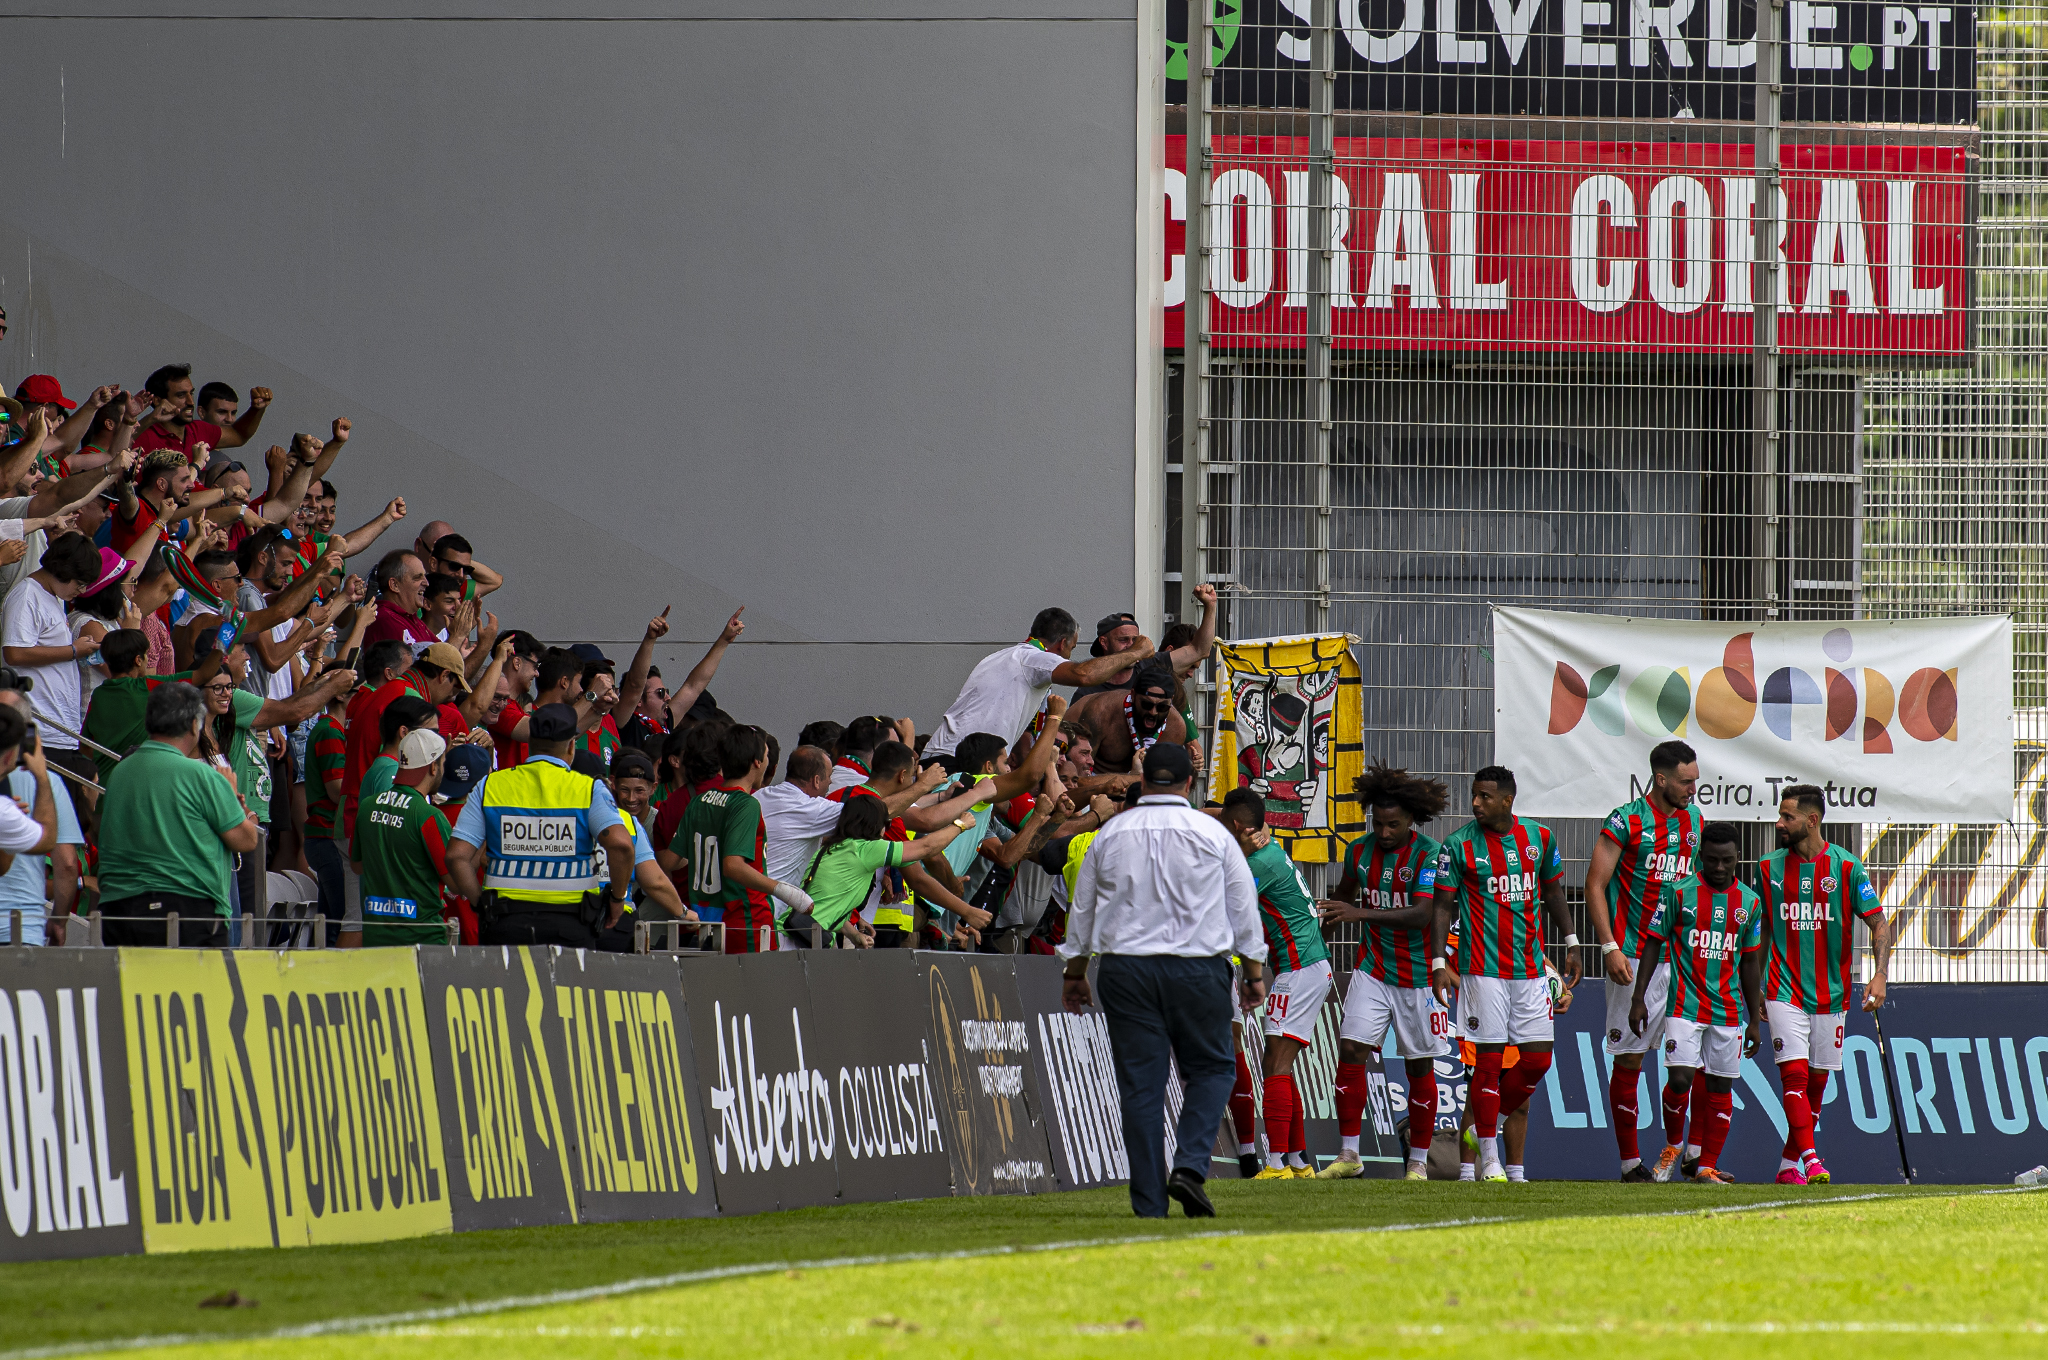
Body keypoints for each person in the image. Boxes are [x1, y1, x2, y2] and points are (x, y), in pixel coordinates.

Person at [1059, 744, 1267, 1220]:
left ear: (1145, 780)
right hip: (1197, 967)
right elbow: (1242, 904)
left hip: (1126, 969)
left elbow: (1084, 908)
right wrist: (1253, 970)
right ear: (1188, 785)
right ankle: (1191, 1166)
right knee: (1214, 1070)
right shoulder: (1212, 833)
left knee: (1141, 1088)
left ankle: (1150, 1204)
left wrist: (1075, 972)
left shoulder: (1111, 834)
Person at [1428, 765, 1582, 1184]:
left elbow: (1553, 892)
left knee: (1537, 1060)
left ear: (1507, 800)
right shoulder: (1457, 846)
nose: (1475, 803)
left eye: (1483, 796)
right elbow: (1442, 907)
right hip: (1483, 974)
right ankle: (1491, 1163)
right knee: (1489, 1067)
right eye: (1474, 795)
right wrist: (1440, 963)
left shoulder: (1540, 839)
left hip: (1530, 971)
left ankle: (1481, 1132)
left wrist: (1571, 943)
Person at [1317, 763, 1452, 1181]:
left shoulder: (1431, 854)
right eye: (1379, 823)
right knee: (1352, 1050)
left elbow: (1423, 913)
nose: (1385, 832)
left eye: (1393, 824)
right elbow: (1342, 895)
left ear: (1411, 820)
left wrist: (1357, 912)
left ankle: (1417, 1163)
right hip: (1373, 969)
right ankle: (1349, 1154)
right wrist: (1322, 922)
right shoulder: (1358, 850)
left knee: (1418, 1068)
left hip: (1420, 976)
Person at [1583, 739, 1704, 1182]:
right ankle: (1630, 1164)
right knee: (1629, 1060)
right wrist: (1609, 946)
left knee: (1688, 1062)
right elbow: (1595, 884)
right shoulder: (1626, 820)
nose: (1693, 789)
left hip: (1684, 959)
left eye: (1695, 780)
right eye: (1686, 781)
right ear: (1661, 779)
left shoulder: (1694, 819)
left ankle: (1684, 1153)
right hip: (1633, 957)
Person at [1759, 782, 1891, 1186]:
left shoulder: (1847, 868)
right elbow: (1761, 931)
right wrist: (1756, 989)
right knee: (1794, 1078)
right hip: (1782, 989)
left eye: (1787, 817)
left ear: (1811, 820)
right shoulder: (1768, 868)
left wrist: (1880, 974)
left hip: (1831, 994)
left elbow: (1879, 924)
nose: (1780, 823)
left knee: (1816, 1084)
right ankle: (1812, 1160)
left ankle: (1787, 1168)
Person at [1629, 822, 1765, 1185]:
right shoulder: (1677, 893)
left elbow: (1750, 962)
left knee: (1721, 1088)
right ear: (1699, 856)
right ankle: (1674, 1146)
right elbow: (1653, 943)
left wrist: (1754, 1019)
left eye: (1727, 861)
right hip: (1684, 1006)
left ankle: (1705, 1166)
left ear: (1738, 859)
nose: (1719, 868)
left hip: (1728, 1010)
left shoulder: (1749, 904)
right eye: (1711, 860)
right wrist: (1639, 996)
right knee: (1680, 1078)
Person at [446, 702, 636, 948]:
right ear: (571, 746)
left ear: (530, 743)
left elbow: (456, 857)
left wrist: (480, 902)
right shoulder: (589, 789)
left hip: (505, 922)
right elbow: (621, 846)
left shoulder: (489, 786)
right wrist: (618, 899)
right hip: (571, 923)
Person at [1217, 787, 1330, 1180]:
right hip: (1306, 966)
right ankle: (1299, 1162)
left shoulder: (1256, 866)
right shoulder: (1270, 847)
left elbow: (1222, 904)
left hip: (1300, 967)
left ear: (1238, 828)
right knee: (1282, 1064)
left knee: (1275, 1064)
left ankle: (1276, 1163)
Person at [96, 681, 260, 944]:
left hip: (120, 911)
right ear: (194, 725)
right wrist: (232, 797)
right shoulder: (203, 776)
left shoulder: (120, 773)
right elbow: (247, 839)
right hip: (187, 912)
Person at [924, 608, 1150, 764]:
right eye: (1071, 649)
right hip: (957, 760)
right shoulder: (1031, 657)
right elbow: (1083, 674)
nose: (1069, 656)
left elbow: (1024, 742)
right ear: (1062, 644)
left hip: (944, 754)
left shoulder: (1002, 658)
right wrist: (1136, 652)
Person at [668, 725, 814, 952]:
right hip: (746, 920)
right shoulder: (746, 804)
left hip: (707, 919)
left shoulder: (700, 800)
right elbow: (733, 866)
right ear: (757, 762)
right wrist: (784, 890)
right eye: (766, 756)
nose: (767, 761)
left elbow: (670, 861)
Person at [1, 532, 109, 791]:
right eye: (80, 583)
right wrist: (73, 650)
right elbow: (14, 652)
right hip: (39, 727)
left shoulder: (53, 596)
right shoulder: (27, 595)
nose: (81, 591)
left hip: (59, 730)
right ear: (63, 570)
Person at [797, 795, 969, 947]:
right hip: (809, 939)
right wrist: (960, 825)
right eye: (886, 823)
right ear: (873, 824)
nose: (887, 829)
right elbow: (926, 847)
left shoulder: (832, 848)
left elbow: (826, 905)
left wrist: (854, 932)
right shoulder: (866, 849)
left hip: (800, 930)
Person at [355, 729, 462, 946]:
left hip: (375, 938)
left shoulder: (367, 806)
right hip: (423, 940)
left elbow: (358, 866)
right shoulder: (428, 816)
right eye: (442, 762)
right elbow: (456, 883)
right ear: (433, 767)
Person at [1071, 583, 1218, 698]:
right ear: (1104, 642)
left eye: (1135, 640)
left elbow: (1199, 650)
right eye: (1123, 640)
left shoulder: (1149, 666)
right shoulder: (1087, 692)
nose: (1131, 645)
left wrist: (1210, 606)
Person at [0, 699, 63, 944]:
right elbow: (46, 839)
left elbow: (2, 866)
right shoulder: (4, 811)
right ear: (9, 758)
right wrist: (42, 776)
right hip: (18, 928)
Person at [1065, 657, 1185, 775]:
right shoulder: (1101, 712)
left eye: (1162, 707)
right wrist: (1128, 781)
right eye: (1146, 704)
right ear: (1132, 695)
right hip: (1095, 785)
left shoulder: (1176, 727)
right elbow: (1075, 778)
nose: (1153, 712)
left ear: (1171, 702)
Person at [131, 364, 271, 461]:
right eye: (181, 395)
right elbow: (114, 449)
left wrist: (256, 409)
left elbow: (239, 436)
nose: (191, 401)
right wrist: (150, 418)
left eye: (191, 393)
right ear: (157, 400)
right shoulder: (144, 435)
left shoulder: (199, 430)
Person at [360, 549, 439, 653]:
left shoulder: (414, 620)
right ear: (394, 585)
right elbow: (436, 665)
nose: (426, 583)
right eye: (417, 577)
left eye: (424, 576)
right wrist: (457, 636)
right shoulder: (385, 620)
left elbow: (444, 658)